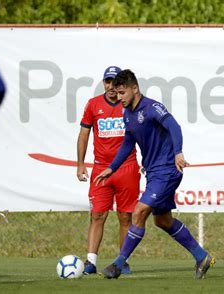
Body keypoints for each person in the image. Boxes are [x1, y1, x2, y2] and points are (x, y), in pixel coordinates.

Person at [94, 69, 215, 279]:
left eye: (122, 93)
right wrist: (111, 168)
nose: (118, 97)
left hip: (167, 170)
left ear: (134, 89)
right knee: (163, 221)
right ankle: (201, 256)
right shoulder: (128, 114)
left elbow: (174, 126)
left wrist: (178, 152)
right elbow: (128, 143)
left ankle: (118, 265)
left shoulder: (152, 108)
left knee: (139, 211)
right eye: (117, 93)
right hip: (154, 172)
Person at [77, 66, 140, 275]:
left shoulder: (130, 105)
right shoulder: (93, 105)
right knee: (97, 215)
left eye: (114, 82)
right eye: (107, 81)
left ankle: (122, 261)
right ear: (103, 83)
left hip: (127, 168)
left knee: (125, 217)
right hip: (101, 168)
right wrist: (80, 164)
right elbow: (84, 135)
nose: (110, 86)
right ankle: (90, 261)